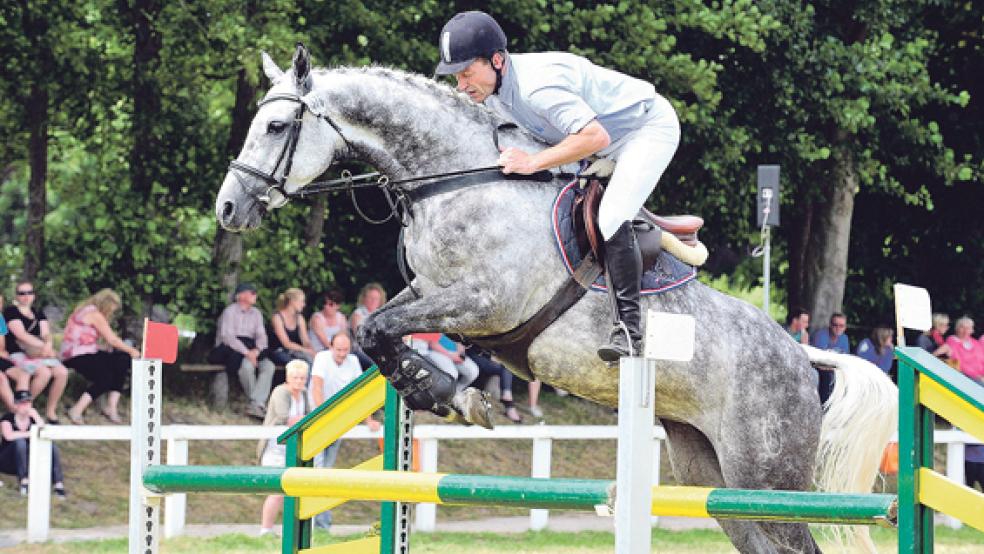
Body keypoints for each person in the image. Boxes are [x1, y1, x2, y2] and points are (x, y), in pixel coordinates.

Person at [434, 11, 680, 361]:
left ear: (497, 60)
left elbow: (595, 135)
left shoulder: (538, 87)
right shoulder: (494, 93)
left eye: (466, 73)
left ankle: (629, 331)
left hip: (645, 131)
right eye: (456, 77)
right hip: (597, 144)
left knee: (610, 217)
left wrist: (532, 163)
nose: (461, 85)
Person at [308, 332, 381, 529]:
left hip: (337, 422)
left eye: (345, 350)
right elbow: (317, 388)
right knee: (317, 471)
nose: (342, 354)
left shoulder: (353, 361)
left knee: (327, 472)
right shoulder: (322, 359)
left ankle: (322, 523)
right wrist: (322, 417)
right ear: (331, 347)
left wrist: (369, 420)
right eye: (338, 350)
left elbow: (359, 393)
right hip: (318, 421)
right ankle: (316, 522)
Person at [62, 289, 141, 424]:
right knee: (105, 377)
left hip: (87, 351)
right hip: (76, 354)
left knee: (121, 360)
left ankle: (111, 406)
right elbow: (112, 339)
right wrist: (132, 351)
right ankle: (77, 409)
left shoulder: (86, 311)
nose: (111, 313)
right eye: (111, 309)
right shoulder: (94, 314)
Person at [258, 359, 311, 536]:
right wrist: (305, 419)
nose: (299, 381)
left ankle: (289, 530)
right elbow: (283, 416)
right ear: (288, 377)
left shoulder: (304, 393)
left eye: (302, 378)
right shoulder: (280, 391)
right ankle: (265, 529)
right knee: (277, 491)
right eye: (295, 377)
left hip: (292, 447)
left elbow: (310, 413)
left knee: (294, 491)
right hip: (275, 447)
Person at [3, 281, 69, 423]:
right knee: (44, 373)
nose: (26, 296)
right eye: (22, 293)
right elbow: (21, 335)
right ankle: (23, 409)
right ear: (16, 296)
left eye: (29, 292)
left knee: (62, 372)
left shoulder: (38, 313)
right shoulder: (11, 312)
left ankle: (50, 412)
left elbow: (46, 333)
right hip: (17, 353)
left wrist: (48, 343)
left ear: (34, 295)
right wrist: (46, 347)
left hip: (39, 353)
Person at [210, 283, 276, 419]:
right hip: (234, 350)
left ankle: (256, 403)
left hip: (253, 350)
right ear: (242, 296)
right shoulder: (230, 311)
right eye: (252, 293)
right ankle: (256, 404)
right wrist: (247, 352)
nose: (255, 295)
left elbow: (261, 336)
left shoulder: (257, 314)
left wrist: (257, 351)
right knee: (246, 367)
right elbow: (227, 337)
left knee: (269, 366)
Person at [0, 390, 65, 497]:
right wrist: (31, 433)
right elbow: (9, 436)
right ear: (16, 405)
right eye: (22, 403)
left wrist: (37, 417)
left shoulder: (33, 418)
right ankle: (24, 482)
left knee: (51, 446)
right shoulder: (8, 418)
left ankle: (58, 484)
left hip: (28, 461)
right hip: (8, 460)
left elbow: (45, 434)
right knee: (19, 442)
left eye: (28, 403)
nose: (26, 406)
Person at [267, 288, 315, 366]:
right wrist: (305, 350)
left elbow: (305, 340)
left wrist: (311, 350)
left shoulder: (299, 318)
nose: (304, 304)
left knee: (311, 360)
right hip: (278, 351)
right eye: (302, 301)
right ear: (292, 301)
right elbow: (286, 343)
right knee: (298, 365)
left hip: (294, 350)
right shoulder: (277, 317)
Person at [308, 288, 349, 353]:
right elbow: (326, 344)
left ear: (338, 306)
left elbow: (343, 337)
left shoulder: (341, 318)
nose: (326, 306)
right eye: (325, 303)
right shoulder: (317, 318)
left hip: (337, 351)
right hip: (318, 351)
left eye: (330, 304)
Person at [946, 317, 984, 384]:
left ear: (972, 330)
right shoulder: (952, 341)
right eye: (962, 327)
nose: (965, 331)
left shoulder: (975, 343)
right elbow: (958, 363)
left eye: (968, 328)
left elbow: (982, 359)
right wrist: (978, 376)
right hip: (965, 378)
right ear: (956, 329)